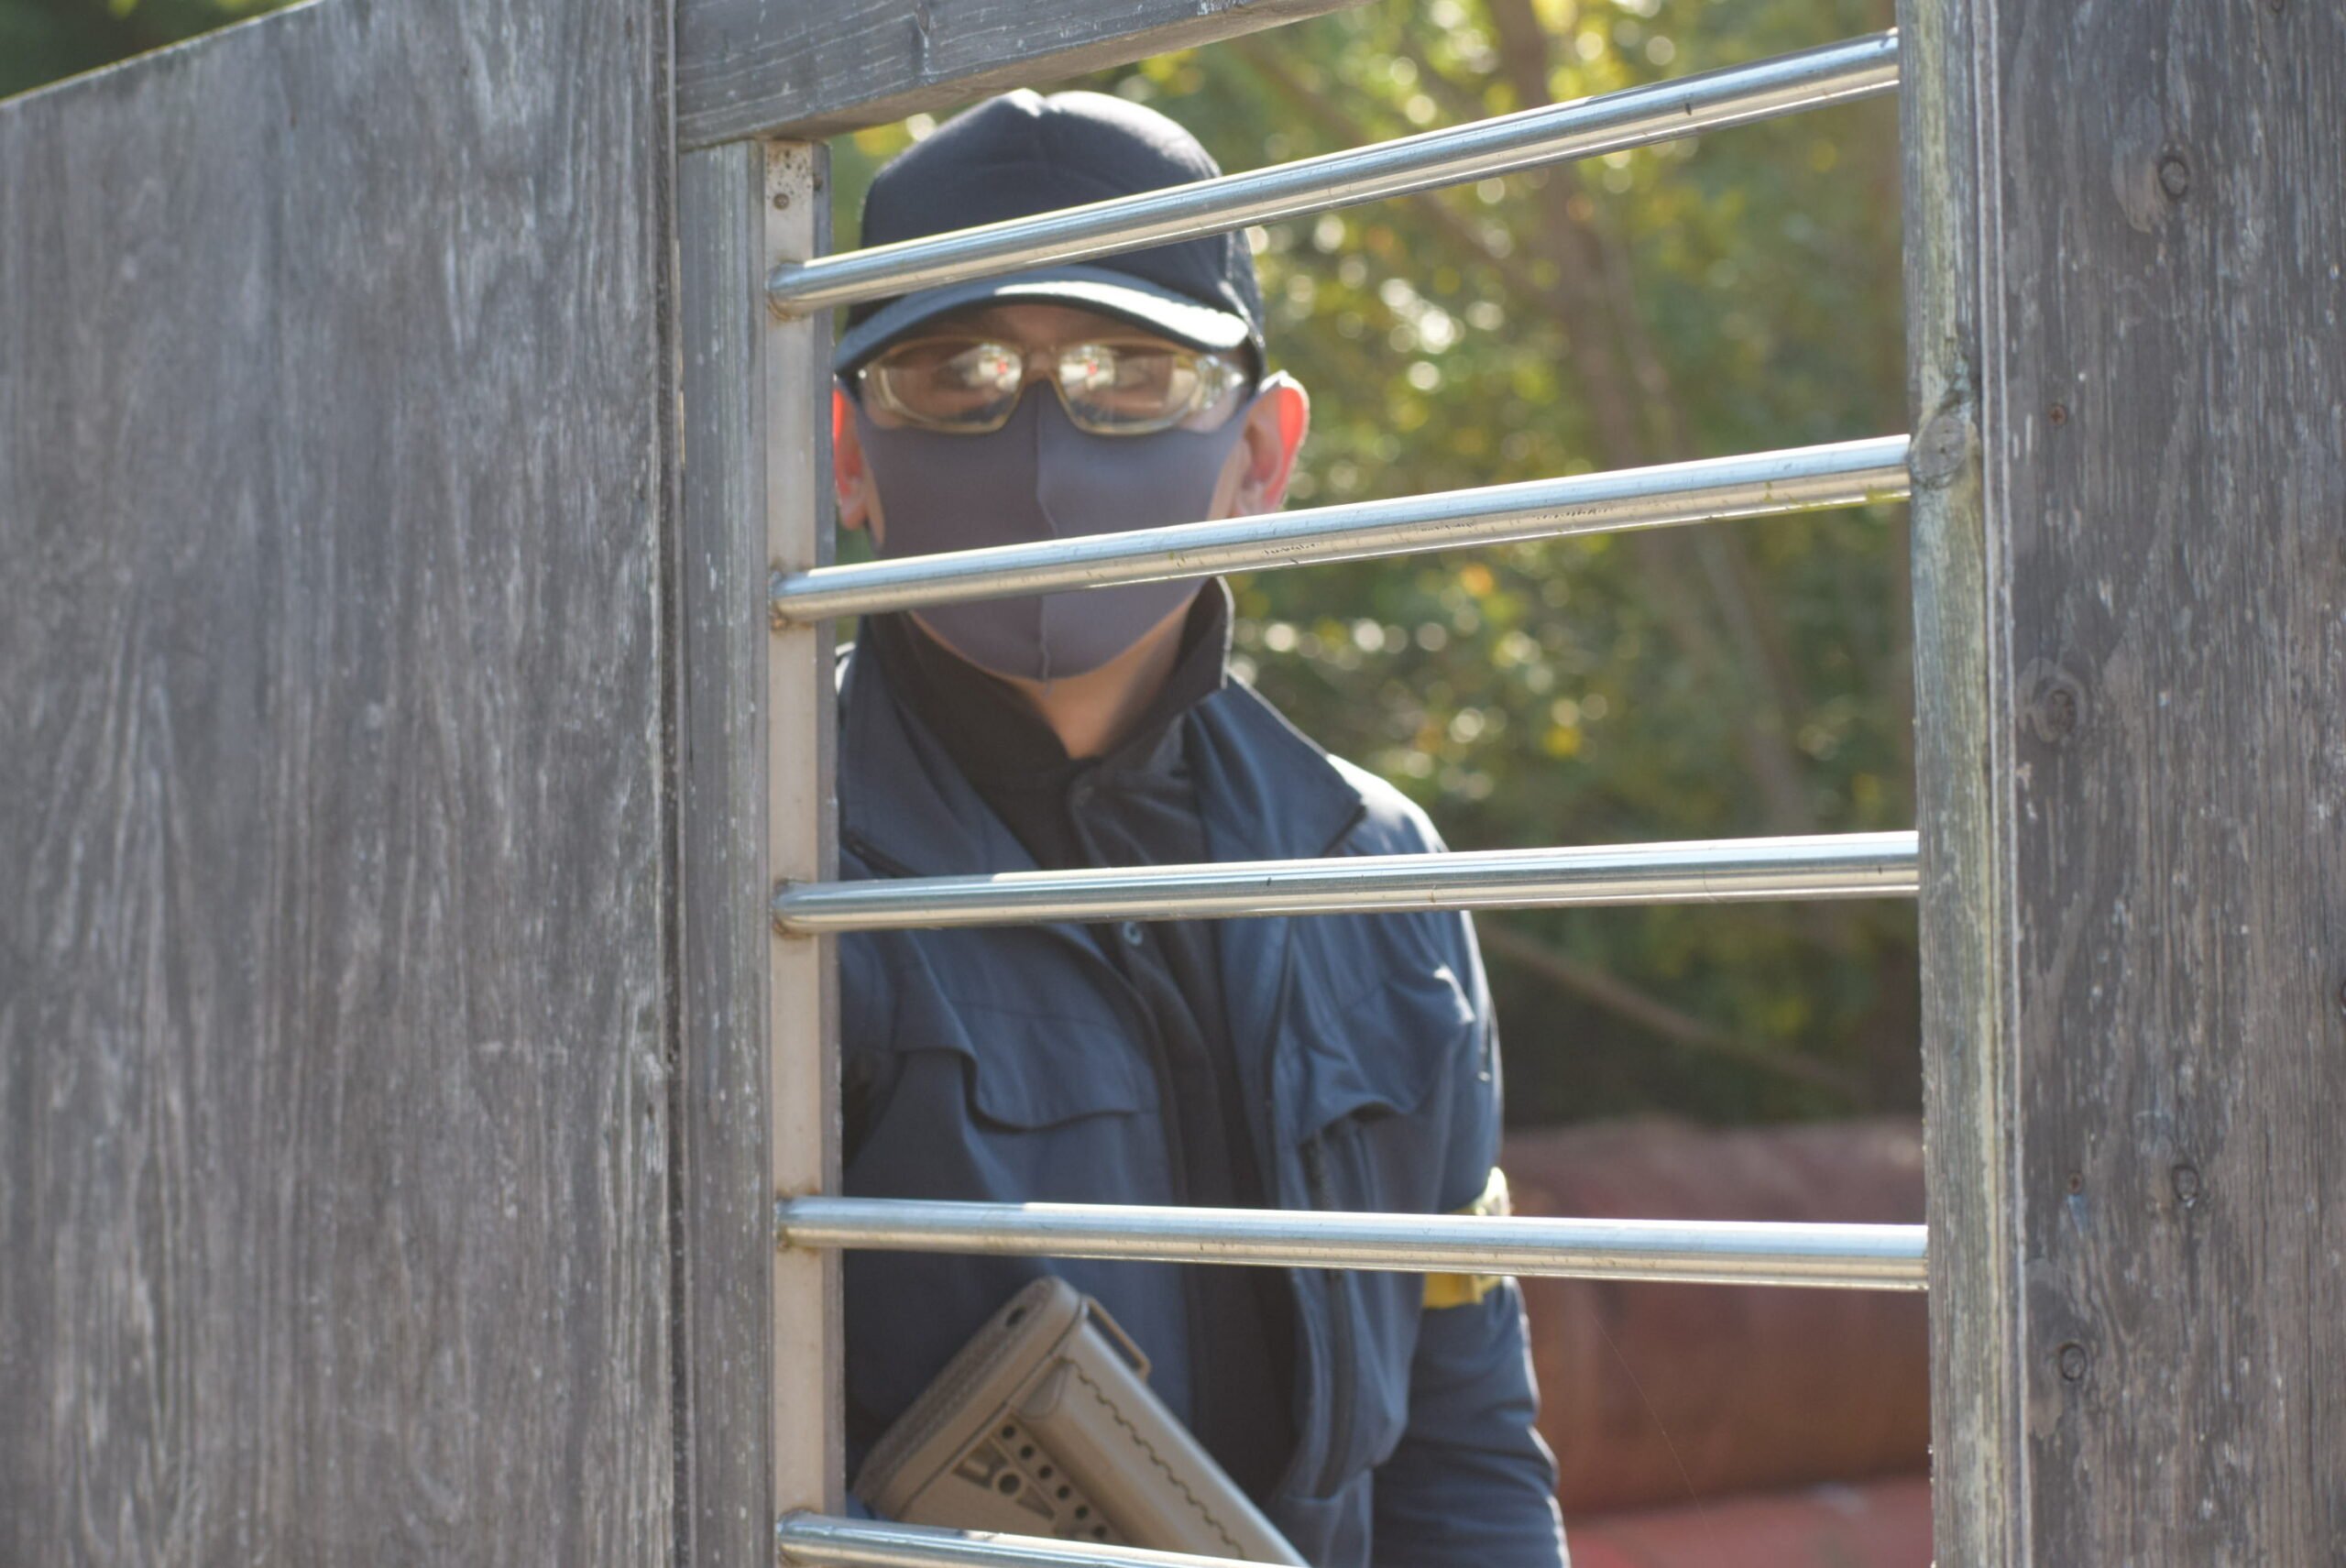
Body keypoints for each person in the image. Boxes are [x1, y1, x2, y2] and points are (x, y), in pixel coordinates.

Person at [830, 87, 1566, 1568]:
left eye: (1134, 374)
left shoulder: (1375, 874)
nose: (1044, 447)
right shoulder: (767, 875)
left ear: (1262, 453)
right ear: (846, 452)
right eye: (956, 376)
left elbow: (1463, 1434)